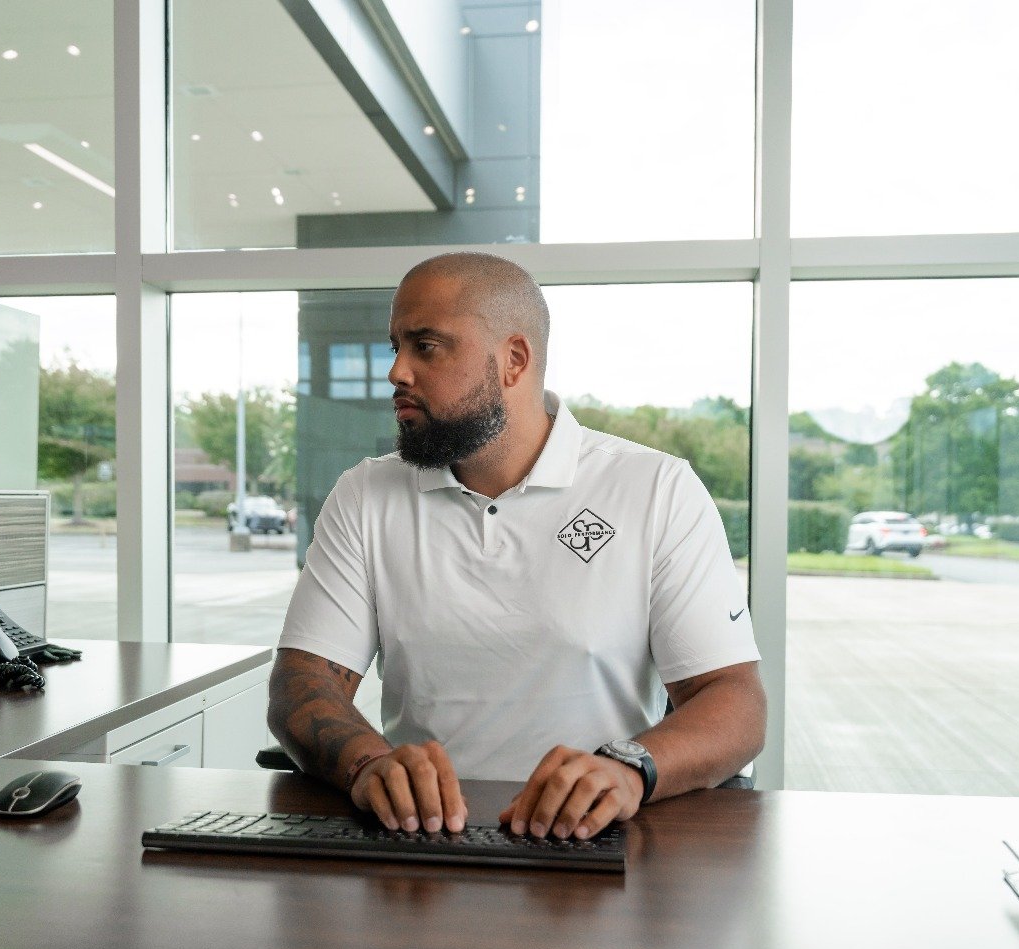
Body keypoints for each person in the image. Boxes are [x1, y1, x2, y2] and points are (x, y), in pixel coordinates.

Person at [269, 252, 765, 842]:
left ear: (514, 360)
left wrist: (630, 770)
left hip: (591, 844)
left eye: (425, 346)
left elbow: (734, 700)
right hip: (419, 842)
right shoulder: (366, 494)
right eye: (395, 344)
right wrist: (368, 763)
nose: (397, 371)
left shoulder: (655, 489)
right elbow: (302, 682)